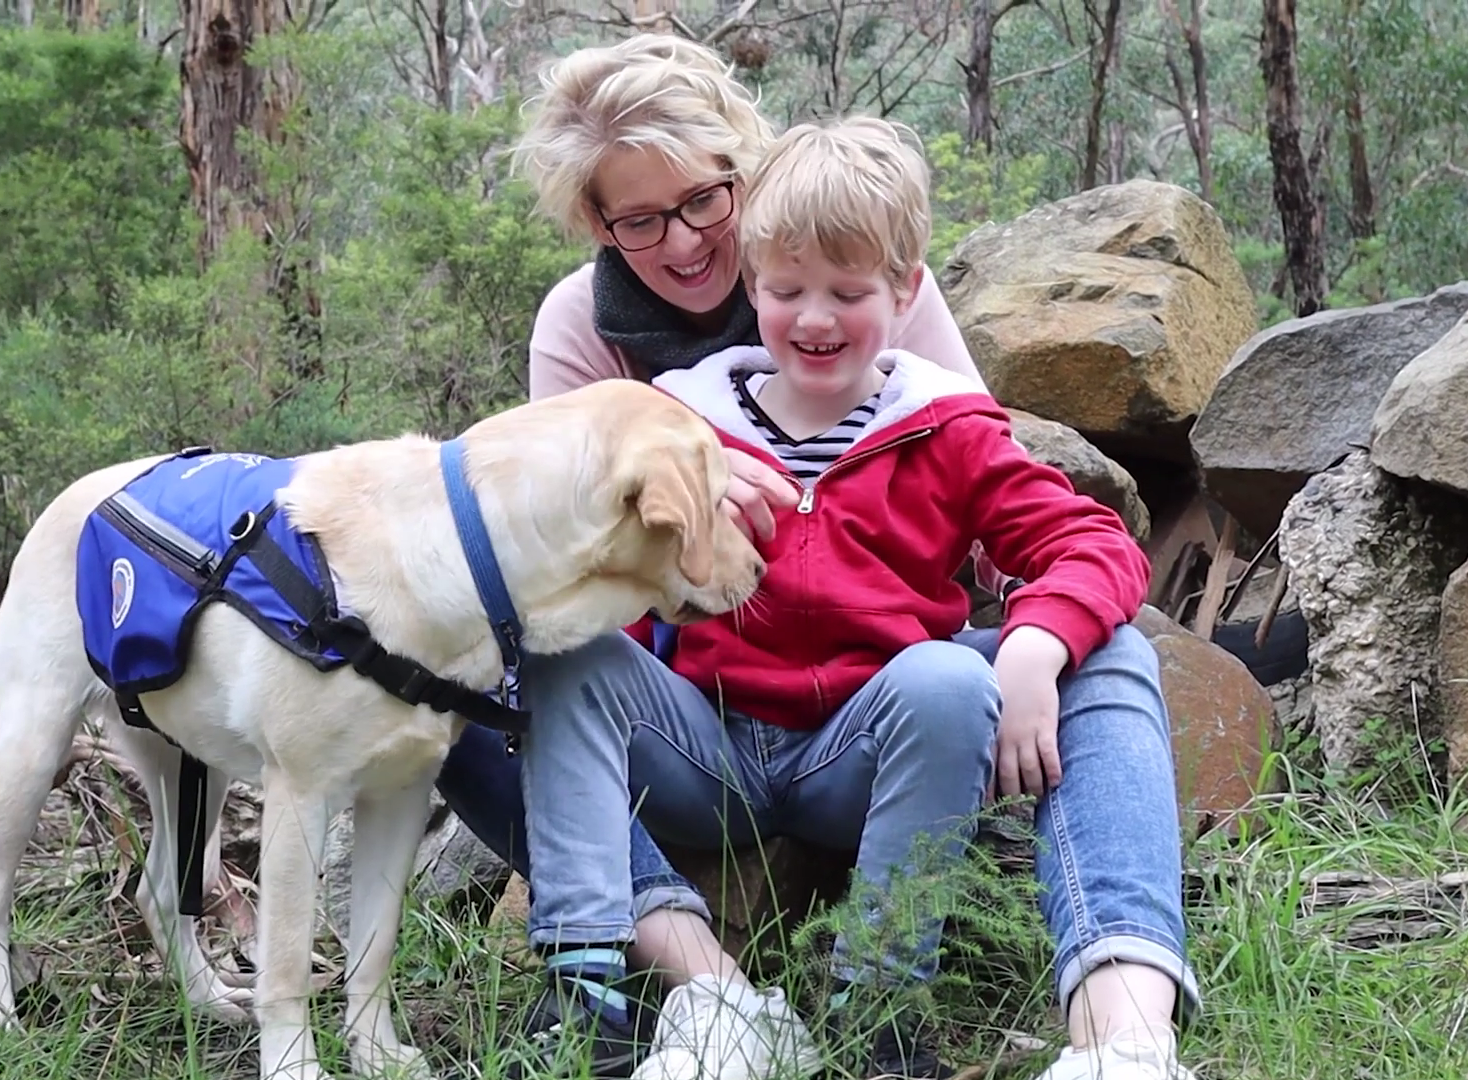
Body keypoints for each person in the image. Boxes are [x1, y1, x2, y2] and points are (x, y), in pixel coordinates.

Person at [431, 34, 1199, 1080]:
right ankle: (669, 989)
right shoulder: (625, 367)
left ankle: (1119, 1032)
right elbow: (543, 570)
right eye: (640, 218)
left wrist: (1032, 644)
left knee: (1095, 652)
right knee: (472, 663)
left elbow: (1018, 506)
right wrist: (665, 491)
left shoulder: (876, 317)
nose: (686, 239)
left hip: (889, 705)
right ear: (600, 224)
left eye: (704, 200)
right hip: (699, 714)